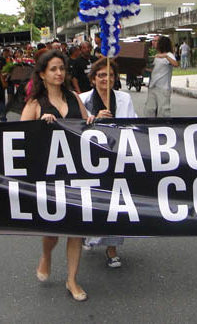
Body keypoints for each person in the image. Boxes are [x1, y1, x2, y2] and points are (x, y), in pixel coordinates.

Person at [21, 49, 94, 302]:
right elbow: (18, 137)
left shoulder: (74, 97)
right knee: (52, 230)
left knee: (76, 228)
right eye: (53, 69)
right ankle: (46, 254)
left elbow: (86, 125)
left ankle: (72, 279)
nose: (59, 73)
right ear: (42, 74)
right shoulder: (34, 103)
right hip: (48, 176)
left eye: (62, 68)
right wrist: (39, 125)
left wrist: (92, 120)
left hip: (76, 173)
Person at [79, 58, 136, 268]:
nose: (106, 79)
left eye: (110, 75)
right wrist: (95, 118)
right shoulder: (82, 99)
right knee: (93, 200)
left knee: (116, 203)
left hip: (117, 158)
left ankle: (112, 248)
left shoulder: (124, 98)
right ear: (93, 79)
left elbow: (135, 123)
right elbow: (75, 125)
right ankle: (88, 233)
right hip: (91, 160)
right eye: (101, 75)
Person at [144, 35, 179, 117]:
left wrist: (165, 56)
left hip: (163, 88)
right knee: (150, 109)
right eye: (153, 41)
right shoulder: (157, 55)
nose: (153, 42)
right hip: (153, 86)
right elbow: (156, 70)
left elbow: (175, 64)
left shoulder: (169, 55)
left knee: (163, 111)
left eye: (156, 41)